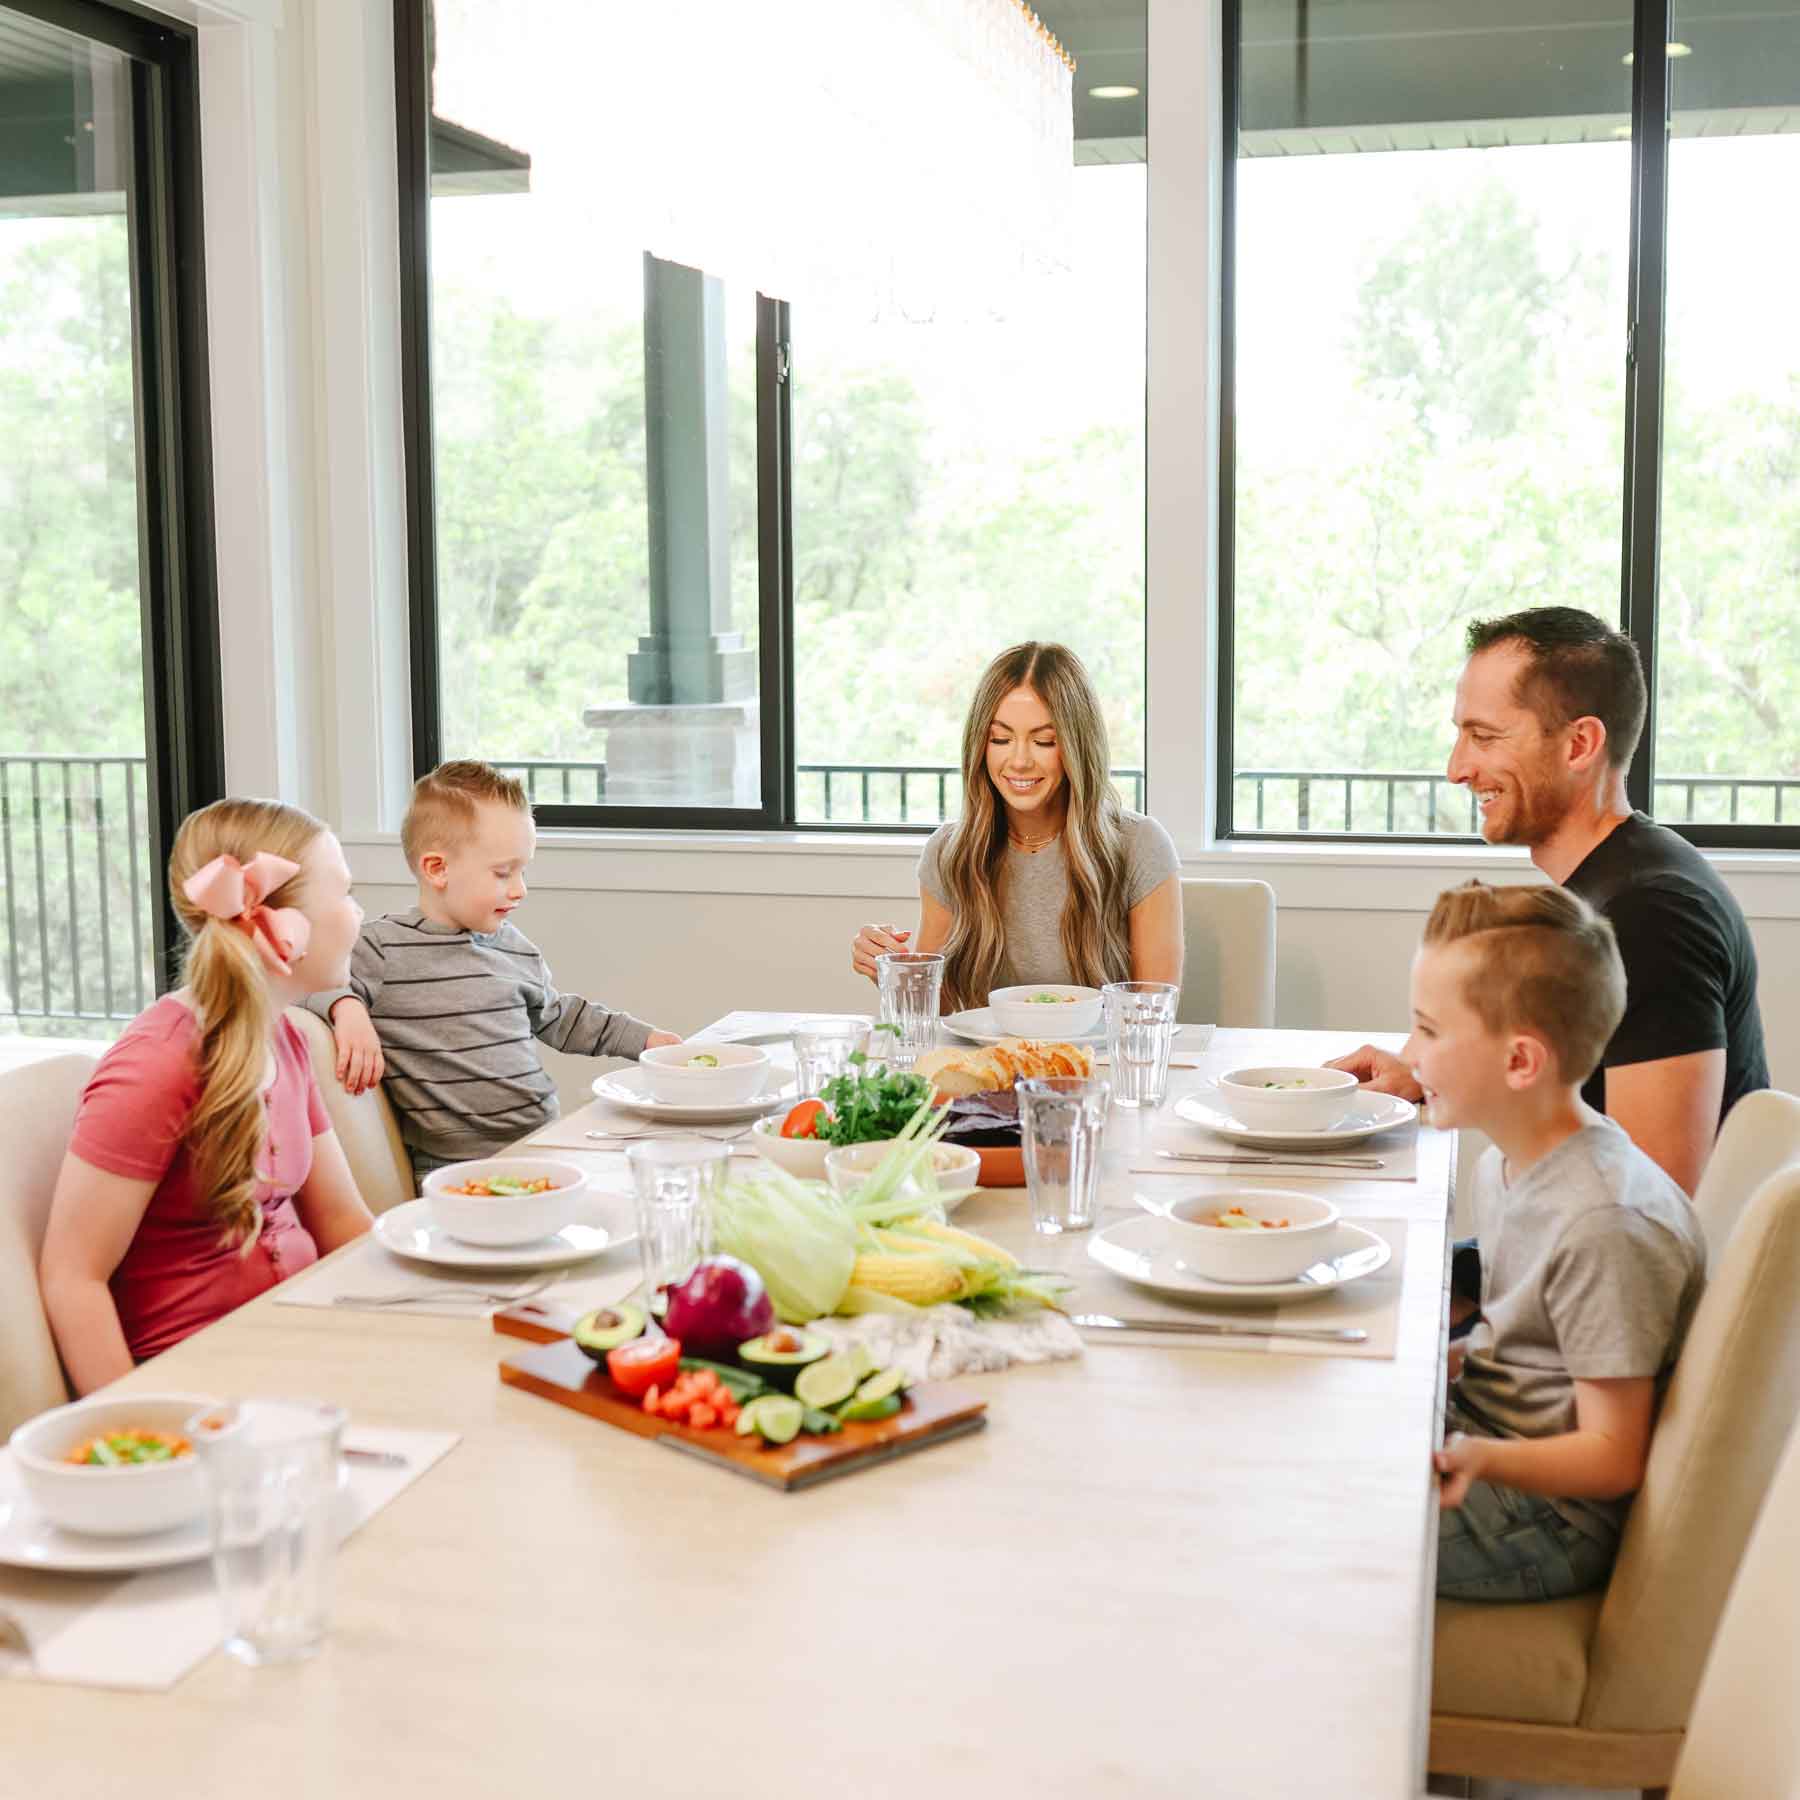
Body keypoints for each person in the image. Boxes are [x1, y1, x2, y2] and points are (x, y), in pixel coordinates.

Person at [1332, 607, 1768, 1199]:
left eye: (1483, 736)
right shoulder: (1611, 880)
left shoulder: (1652, 915)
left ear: (1580, 744)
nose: (1456, 769)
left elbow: (1651, 1201)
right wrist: (1428, 1070)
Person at [1410, 881, 1706, 1602]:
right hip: (1491, 1443)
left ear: (1520, 1062)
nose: (1411, 1053)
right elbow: (1521, 1341)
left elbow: (1614, 1456)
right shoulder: (1509, 1162)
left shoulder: (1604, 1221)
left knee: (1299, 1524)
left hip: (1548, 1518)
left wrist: (1481, 1456)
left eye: (1429, 1031)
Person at [39, 800, 376, 1393]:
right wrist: (138, 1434)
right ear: (282, 923)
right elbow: (73, 1277)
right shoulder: (158, 1061)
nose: (358, 912)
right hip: (199, 1386)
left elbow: (344, 1223)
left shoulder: (287, 1038)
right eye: (345, 893)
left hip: (300, 1348)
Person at [309, 761, 681, 1181]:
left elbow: (563, 1018)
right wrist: (346, 1007)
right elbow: (306, 984)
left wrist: (648, 1041)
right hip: (454, 1167)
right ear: (437, 869)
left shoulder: (514, 947)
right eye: (503, 872)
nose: (520, 888)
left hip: (541, 1141)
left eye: (523, 870)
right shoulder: (381, 948)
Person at [850, 642, 1182, 1014]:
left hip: (1099, 1066)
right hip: (990, 1067)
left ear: (1077, 746)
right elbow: (937, 1016)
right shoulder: (949, 851)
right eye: (1000, 739)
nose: (1019, 760)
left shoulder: (1139, 845)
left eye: (1044, 741)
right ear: (980, 744)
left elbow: (1152, 1016)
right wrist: (895, 970)